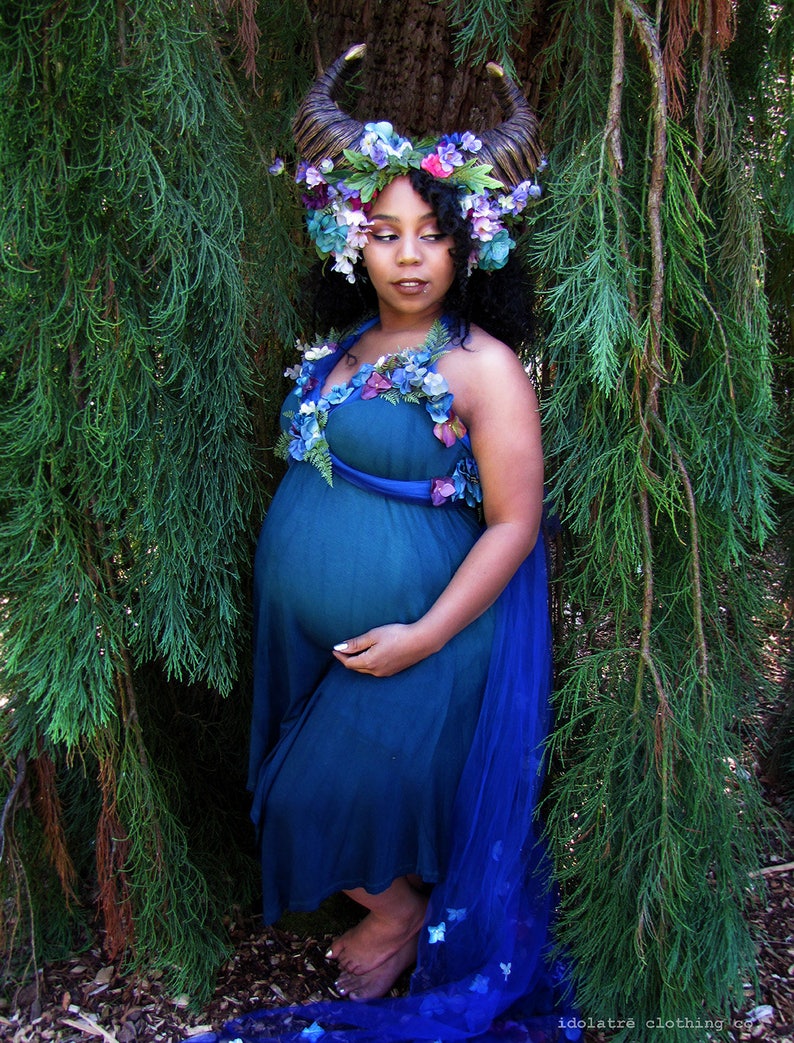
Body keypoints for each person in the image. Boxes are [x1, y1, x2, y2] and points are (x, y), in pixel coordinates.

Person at [198, 45, 579, 1043]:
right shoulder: (341, 350)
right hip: (321, 639)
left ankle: (403, 912)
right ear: (349, 242)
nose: (407, 255)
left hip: (433, 636)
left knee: (299, 798)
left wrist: (419, 634)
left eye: (430, 235)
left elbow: (512, 522)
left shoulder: (483, 367)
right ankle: (397, 905)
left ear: (467, 247)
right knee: (288, 790)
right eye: (383, 233)